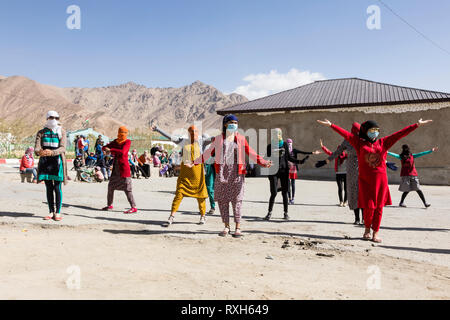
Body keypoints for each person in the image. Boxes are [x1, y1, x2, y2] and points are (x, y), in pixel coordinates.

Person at [317, 118, 433, 243]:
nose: (375, 133)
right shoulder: (359, 143)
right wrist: (331, 125)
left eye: (377, 130)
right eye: (372, 130)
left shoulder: (384, 142)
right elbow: (346, 134)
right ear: (366, 131)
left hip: (381, 181)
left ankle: (375, 232)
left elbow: (399, 134)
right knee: (368, 207)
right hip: (365, 181)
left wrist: (416, 125)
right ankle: (367, 229)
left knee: (379, 207)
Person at [194, 114, 272, 237]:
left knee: (237, 201)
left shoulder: (241, 139)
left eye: (236, 123)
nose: (234, 125)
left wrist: (263, 162)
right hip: (221, 174)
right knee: (223, 201)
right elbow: (208, 153)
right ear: (225, 124)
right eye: (231, 122)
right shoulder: (218, 139)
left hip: (237, 174)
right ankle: (226, 226)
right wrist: (195, 162)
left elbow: (251, 152)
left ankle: (238, 227)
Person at [265, 129, 320, 221]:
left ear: (281, 134)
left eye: (278, 133)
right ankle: (269, 213)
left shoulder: (285, 145)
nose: (276, 135)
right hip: (273, 172)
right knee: (274, 193)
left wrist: (299, 161)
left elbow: (289, 157)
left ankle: (286, 213)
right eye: (274, 133)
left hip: (284, 171)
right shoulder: (270, 146)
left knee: (284, 192)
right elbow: (266, 158)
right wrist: (267, 161)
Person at [316, 123, 364, 224]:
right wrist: (325, 161)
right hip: (351, 170)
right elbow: (337, 153)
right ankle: (357, 218)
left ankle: (364, 218)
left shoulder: (363, 140)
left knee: (362, 193)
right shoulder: (347, 140)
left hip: (362, 169)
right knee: (354, 193)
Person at [162, 125, 209, 227]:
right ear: (188, 133)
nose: (194, 133)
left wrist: (226, 133)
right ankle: (172, 216)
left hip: (198, 174)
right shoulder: (183, 141)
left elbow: (215, 139)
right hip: (185, 174)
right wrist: (157, 129)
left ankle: (203, 215)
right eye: (191, 131)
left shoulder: (202, 142)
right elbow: (169, 137)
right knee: (179, 194)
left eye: (196, 131)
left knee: (200, 196)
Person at [34, 110, 68, 221]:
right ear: (47, 118)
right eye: (51, 117)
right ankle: (50, 211)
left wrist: (52, 152)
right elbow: (37, 147)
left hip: (57, 162)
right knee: (48, 187)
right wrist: (40, 152)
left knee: (57, 187)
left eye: (56, 118)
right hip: (45, 162)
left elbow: (63, 147)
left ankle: (57, 212)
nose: (54, 120)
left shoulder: (62, 131)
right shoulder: (41, 132)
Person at [102, 126, 138, 214]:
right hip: (116, 168)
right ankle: (109, 205)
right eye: (121, 133)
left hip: (124, 168)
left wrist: (111, 150)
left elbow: (123, 152)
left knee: (127, 188)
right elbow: (104, 147)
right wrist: (105, 149)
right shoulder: (115, 141)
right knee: (111, 187)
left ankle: (133, 207)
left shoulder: (127, 142)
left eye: (124, 133)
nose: (122, 135)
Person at [285, 138, 314, 205]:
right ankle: (289, 198)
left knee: (293, 184)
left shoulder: (294, 150)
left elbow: (302, 152)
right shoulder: (285, 150)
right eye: (288, 143)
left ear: (292, 143)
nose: (289, 144)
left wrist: (312, 153)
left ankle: (292, 198)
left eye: (290, 143)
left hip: (294, 168)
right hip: (287, 168)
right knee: (288, 184)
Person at [320, 139, 348, 207]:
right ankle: (341, 201)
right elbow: (329, 152)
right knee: (340, 188)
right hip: (338, 173)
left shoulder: (347, 156)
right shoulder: (336, 155)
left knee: (346, 188)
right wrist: (322, 146)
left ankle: (345, 201)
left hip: (346, 174)